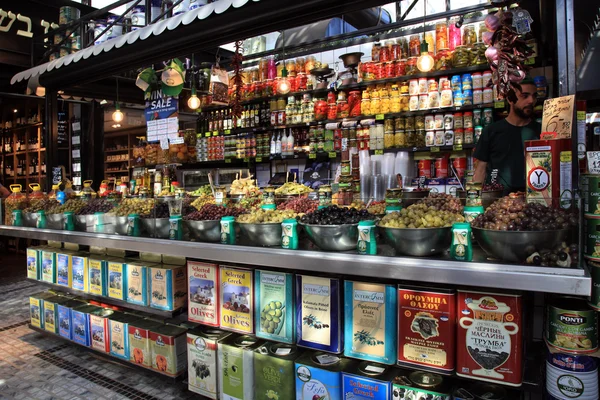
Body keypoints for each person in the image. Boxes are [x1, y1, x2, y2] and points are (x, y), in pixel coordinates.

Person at [473, 79, 541, 194]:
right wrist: (474, 200)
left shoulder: (541, 131)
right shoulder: (492, 131)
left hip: (533, 200)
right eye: (524, 96)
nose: (531, 101)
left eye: (534, 96)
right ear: (510, 99)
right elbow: (480, 170)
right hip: (498, 202)